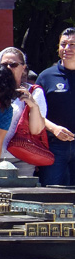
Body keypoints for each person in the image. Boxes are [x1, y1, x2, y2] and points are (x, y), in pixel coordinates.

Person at [0, 46, 48, 177]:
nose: (8, 68)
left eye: (13, 64)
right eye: (4, 64)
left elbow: (36, 130)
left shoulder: (35, 92)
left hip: (21, 156)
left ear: (23, 67)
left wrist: (33, 105)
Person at [37, 28, 75, 186]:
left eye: (72, 44)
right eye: (63, 44)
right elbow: (34, 112)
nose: (67, 49)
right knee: (52, 193)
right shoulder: (46, 77)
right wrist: (54, 129)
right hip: (54, 146)